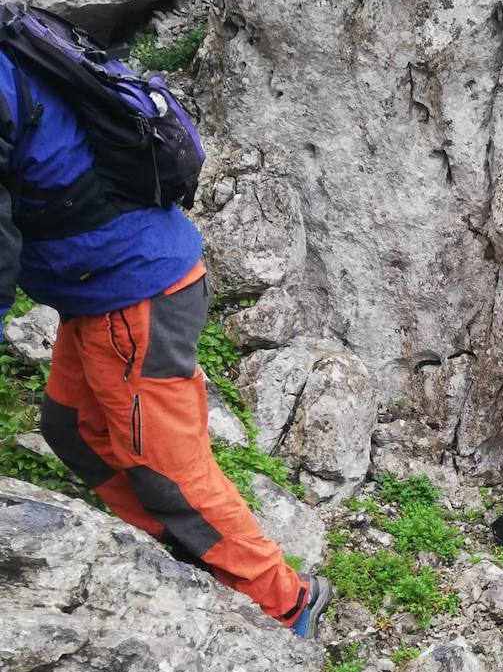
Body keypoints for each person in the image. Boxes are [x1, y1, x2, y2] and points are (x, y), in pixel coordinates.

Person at [0, 41, 331, 637]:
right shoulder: (15, 44)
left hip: (134, 296)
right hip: (105, 289)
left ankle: (287, 602)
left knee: (169, 471)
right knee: (72, 429)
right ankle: (179, 547)